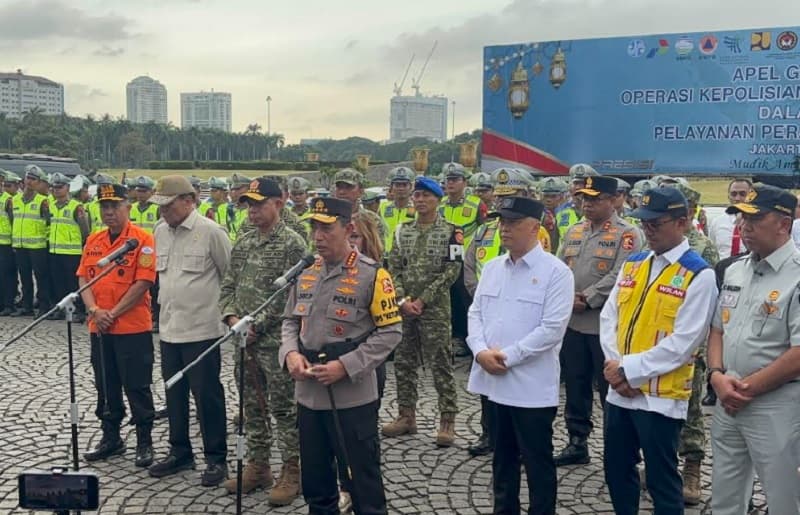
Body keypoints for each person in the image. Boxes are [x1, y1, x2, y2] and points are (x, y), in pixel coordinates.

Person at [280, 197, 402, 515]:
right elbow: (290, 321)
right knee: (317, 485)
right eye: (314, 227)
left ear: (348, 229)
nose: (318, 236)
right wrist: (291, 354)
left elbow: (390, 333)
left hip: (352, 398)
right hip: (308, 396)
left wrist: (345, 366)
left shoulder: (374, 275)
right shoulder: (305, 272)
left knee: (363, 484)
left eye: (326, 228)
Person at [599, 187, 717, 515]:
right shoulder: (634, 263)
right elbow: (611, 317)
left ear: (682, 222)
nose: (647, 230)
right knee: (617, 471)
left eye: (655, 223)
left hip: (660, 398)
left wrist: (628, 370)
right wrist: (615, 365)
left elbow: (684, 342)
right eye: (644, 223)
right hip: (620, 392)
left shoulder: (698, 274)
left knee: (662, 480)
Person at [467, 195, 574, 515]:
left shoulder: (556, 272)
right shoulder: (493, 268)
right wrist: (480, 351)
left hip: (531, 388)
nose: (504, 229)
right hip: (494, 383)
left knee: (537, 461)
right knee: (502, 460)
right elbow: (475, 314)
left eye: (513, 223)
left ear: (535, 227)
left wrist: (507, 357)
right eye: (502, 222)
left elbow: (552, 329)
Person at [708, 184, 800, 515]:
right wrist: (717, 375)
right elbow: (718, 328)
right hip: (728, 398)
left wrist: (746, 388)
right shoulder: (734, 269)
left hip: (777, 405)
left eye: (755, 219)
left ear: (784, 224)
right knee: (725, 497)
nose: (744, 227)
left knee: (784, 498)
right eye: (741, 219)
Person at [218, 177, 305, 505]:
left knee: (283, 409)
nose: (252, 211)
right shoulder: (244, 241)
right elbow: (228, 286)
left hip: (274, 343)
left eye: (259, 204)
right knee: (251, 406)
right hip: (244, 340)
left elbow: (296, 296)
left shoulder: (293, 244)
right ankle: (258, 465)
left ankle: (292, 470)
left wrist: (258, 324)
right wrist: (230, 318)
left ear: (278, 204)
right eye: (248, 205)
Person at [147, 176, 231, 487]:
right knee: (174, 394)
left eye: (168, 206)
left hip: (202, 330)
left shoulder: (210, 232)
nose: (163, 212)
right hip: (169, 329)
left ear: (188, 200)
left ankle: (215, 458)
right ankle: (180, 451)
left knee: (207, 396)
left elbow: (229, 275)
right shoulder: (160, 231)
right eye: (161, 207)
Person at [554, 176, 641, 467]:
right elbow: (558, 269)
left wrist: (588, 297)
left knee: (610, 390)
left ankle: (620, 450)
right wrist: (566, 297)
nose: (587, 204)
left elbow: (622, 273)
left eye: (594, 199)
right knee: (576, 387)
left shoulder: (627, 234)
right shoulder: (574, 231)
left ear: (613, 199)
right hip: (573, 325)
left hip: (604, 328)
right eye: (584, 199)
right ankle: (577, 442)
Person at [78, 183, 157, 468]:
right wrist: (95, 310)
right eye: (104, 207)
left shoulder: (142, 239)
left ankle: (144, 441)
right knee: (105, 384)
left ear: (128, 207)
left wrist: (113, 312)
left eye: (114, 206)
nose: (109, 212)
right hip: (99, 327)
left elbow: (144, 282)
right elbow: (83, 278)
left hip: (132, 327)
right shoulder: (94, 240)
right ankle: (111, 437)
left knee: (137, 385)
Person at [383, 177, 462, 446]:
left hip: (435, 309)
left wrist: (424, 300)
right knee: (404, 362)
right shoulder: (402, 231)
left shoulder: (452, 231)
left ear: (437, 200)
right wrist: (404, 299)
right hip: (404, 308)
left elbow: (452, 270)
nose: (419, 200)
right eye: (416, 196)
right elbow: (393, 268)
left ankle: (447, 420)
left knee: (440, 363)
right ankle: (407, 415)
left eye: (426, 196)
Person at [47, 173, 89, 322]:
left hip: (71, 252)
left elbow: (85, 230)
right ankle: (61, 309)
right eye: (54, 187)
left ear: (68, 188)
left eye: (60, 187)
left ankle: (79, 310)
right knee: (58, 282)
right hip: (54, 250)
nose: (56, 190)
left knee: (73, 283)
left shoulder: (76, 207)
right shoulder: (50, 205)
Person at [11, 165, 51, 317]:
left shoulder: (43, 202)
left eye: (34, 179)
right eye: (28, 178)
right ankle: (27, 306)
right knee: (25, 277)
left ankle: (43, 307)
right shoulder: (15, 200)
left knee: (41, 278)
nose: (30, 182)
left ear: (39, 183)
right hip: (20, 245)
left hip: (37, 246)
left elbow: (49, 223)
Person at [332, 168, 388, 242]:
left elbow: (377, 250)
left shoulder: (372, 220)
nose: (342, 192)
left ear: (361, 191)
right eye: (339, 187)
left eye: (348, 187)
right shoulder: (326, 218)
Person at [709, 179, 752, 259]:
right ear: (728, 196)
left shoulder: (757, 223)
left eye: (743, 194)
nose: (737, 198)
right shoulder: (717, 222)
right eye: (733, 194)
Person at [378, 166, 416, 253]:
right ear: (391, 187)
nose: (401, 188)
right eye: (397, 185)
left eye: (404, 185)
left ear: (411, 187)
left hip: (409, 256)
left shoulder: (417, 209)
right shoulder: (383, 207)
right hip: (385, 256)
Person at [0, 171, 20, 315]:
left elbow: (15, 222)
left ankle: (9, 304)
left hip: (6, 244)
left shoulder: (8, 200)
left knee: (7, 275)